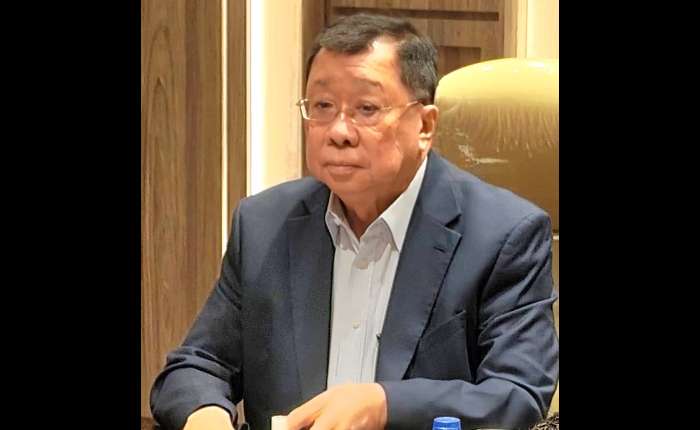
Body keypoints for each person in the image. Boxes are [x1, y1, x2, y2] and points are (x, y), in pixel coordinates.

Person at [150, 13, 558, 430]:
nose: (339, 132)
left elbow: (517, 395)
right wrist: (206, 417)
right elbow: (196, 365)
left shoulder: (504, 234)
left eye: (366, 108)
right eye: (323, 107)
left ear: (425, 125)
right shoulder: (264, 225)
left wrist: (384, 404)